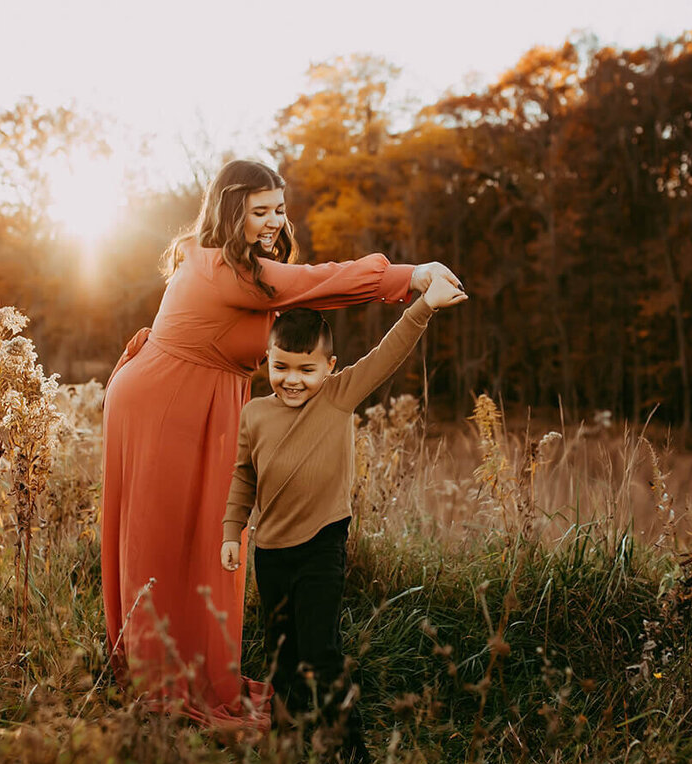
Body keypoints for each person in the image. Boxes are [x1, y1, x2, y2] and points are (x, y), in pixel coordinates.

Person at [101, 159, 460, 728]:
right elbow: (317, 282)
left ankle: (189, 666)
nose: (273, 221)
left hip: (194, 398)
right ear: (230, 208)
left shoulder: (234, 261)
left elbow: (299, 291)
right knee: (170, 541)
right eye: (260, 209)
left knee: (200, 538)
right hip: (165, 403)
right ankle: (164, 679)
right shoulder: (226, 269)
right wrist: (409, 277)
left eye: (279, 208)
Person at [220, 275, 467, 761]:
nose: (292, 379)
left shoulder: (337, 395)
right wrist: (233, 531)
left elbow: (386, 353)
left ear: (329, 368)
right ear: (267, 361)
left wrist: (424, 306)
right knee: (282, 658)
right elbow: (243, 477)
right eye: (281, 367)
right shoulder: (254, 414)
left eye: (306, 369)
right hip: (269, 553)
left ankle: (350, 754)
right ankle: (287, 749)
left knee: (321, 652)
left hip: (321, 545)